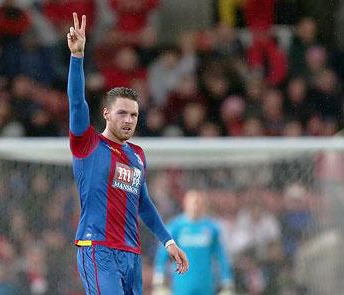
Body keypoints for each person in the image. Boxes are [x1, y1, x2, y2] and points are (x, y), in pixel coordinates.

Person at [66, 12, 189, 294]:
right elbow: (75, 102)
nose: (129, 120)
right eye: (122, 113)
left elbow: (142, 202)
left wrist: (168, 241)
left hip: (130, 253)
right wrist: (77, 57)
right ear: (107, 114)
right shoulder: (88, 144)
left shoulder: (137, 155)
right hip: (97, 249)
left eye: (133, 115)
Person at [153, 190, 234, 295]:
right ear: (185, 204)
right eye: (193, 202)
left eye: (199, 203)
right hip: (182, 284)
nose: (196, 206)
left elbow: (220, 255)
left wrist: (227, 279)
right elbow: (162, 254)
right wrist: (159, 277)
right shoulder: (176, 227)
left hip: (205, 283)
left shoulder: (212, 228)